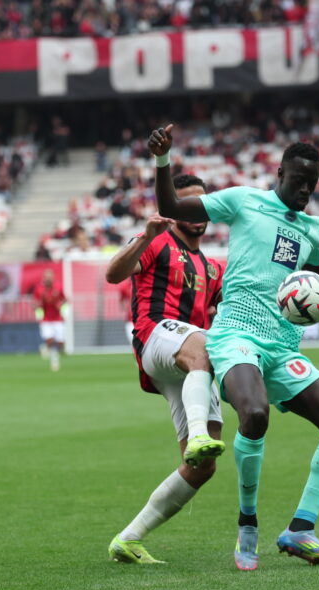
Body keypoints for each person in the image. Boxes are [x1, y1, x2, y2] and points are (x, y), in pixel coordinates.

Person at [150, 124, 319, 570]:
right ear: (280, 173)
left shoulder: (311, 229)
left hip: (284, 347)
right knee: (255, 413)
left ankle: (300, 529)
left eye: (312, 184)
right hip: (236, 336)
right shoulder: (244, 201)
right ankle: (248, 523)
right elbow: (170, 207)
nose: (305, 190)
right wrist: (163, 160)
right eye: (298, 180)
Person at [104, 174, 226, 564]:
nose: (196, 212)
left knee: (203, 467)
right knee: (203, 345)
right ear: (174, 210)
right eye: (187, 204)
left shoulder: (213, 268)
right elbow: (113, 274)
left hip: (189, 361)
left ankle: (129, 538)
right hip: (155, 334)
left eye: (201, 205)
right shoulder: (157, 241)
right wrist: (144, 236)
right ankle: (197, 435)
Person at [33, 270, 66, 372]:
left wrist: (61, 304)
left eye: (50, 277)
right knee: (50, 340)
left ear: (53, 278)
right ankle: (54, 361)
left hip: (57, 319)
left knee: (61, 343)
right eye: (46, 277)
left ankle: (45, 348)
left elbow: (65, 299)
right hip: (46, 319)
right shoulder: (39, 290)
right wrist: (38, 305)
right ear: (43, 278)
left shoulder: (58, 287)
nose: (48, 279)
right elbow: (34, 304)